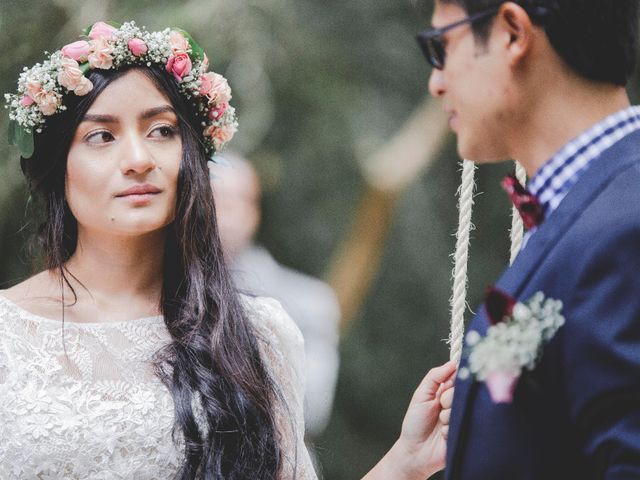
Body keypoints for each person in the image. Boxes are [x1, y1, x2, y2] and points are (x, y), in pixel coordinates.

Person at [1, 20, 454, 479]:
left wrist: (406, 463)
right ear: (58, 168)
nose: (139, 159)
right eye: (102, 136)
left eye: (161, 130)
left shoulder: (256, 336)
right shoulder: (6, 333)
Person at [417, 0, 640, 478]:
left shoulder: (626, 228)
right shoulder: (592, 210)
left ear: (513, 33)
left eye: (442, 47)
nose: (436, 82)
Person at [209, 154, 341, 440]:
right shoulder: (156, 293)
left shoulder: (309, 301)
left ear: (254, 211)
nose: (225, 211)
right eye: (215, 198)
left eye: (237, 199)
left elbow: (310, 408)